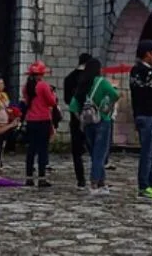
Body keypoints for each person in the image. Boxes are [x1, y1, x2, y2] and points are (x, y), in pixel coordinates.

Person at [70, 57, 119, 196]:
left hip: (88, 124)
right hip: (102, 120)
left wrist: (81, 120)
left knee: (94, 154)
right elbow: (115, 94)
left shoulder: (83, 83)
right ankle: (94, 183)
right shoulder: (101, 82)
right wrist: (106, 107)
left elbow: (73, 105)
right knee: (100, 154)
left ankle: (102, 183)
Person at [129, 39, 152, 200]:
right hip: (149, 114)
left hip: (139, 113)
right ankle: (144, 185)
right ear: (148, 54)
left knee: (149, 151)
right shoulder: (149, 72)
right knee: (147, 152)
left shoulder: (134, 71)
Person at [23, 60, 58, 187]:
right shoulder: (43, 86)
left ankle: (28, 177)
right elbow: (52, 102)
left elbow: (27, 102)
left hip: (31, 119)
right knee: (43, 149)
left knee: (31, 149)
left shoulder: (26, 87)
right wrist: (53, 94)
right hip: (43, 119)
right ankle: (42, 177)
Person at [64, 52, 92, 190]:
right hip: (91, 117)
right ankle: (97, 177)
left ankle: (81, 180)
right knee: (94, 149)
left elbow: (67, 99)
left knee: (76, 152)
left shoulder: (69, 78)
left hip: (75, 117)